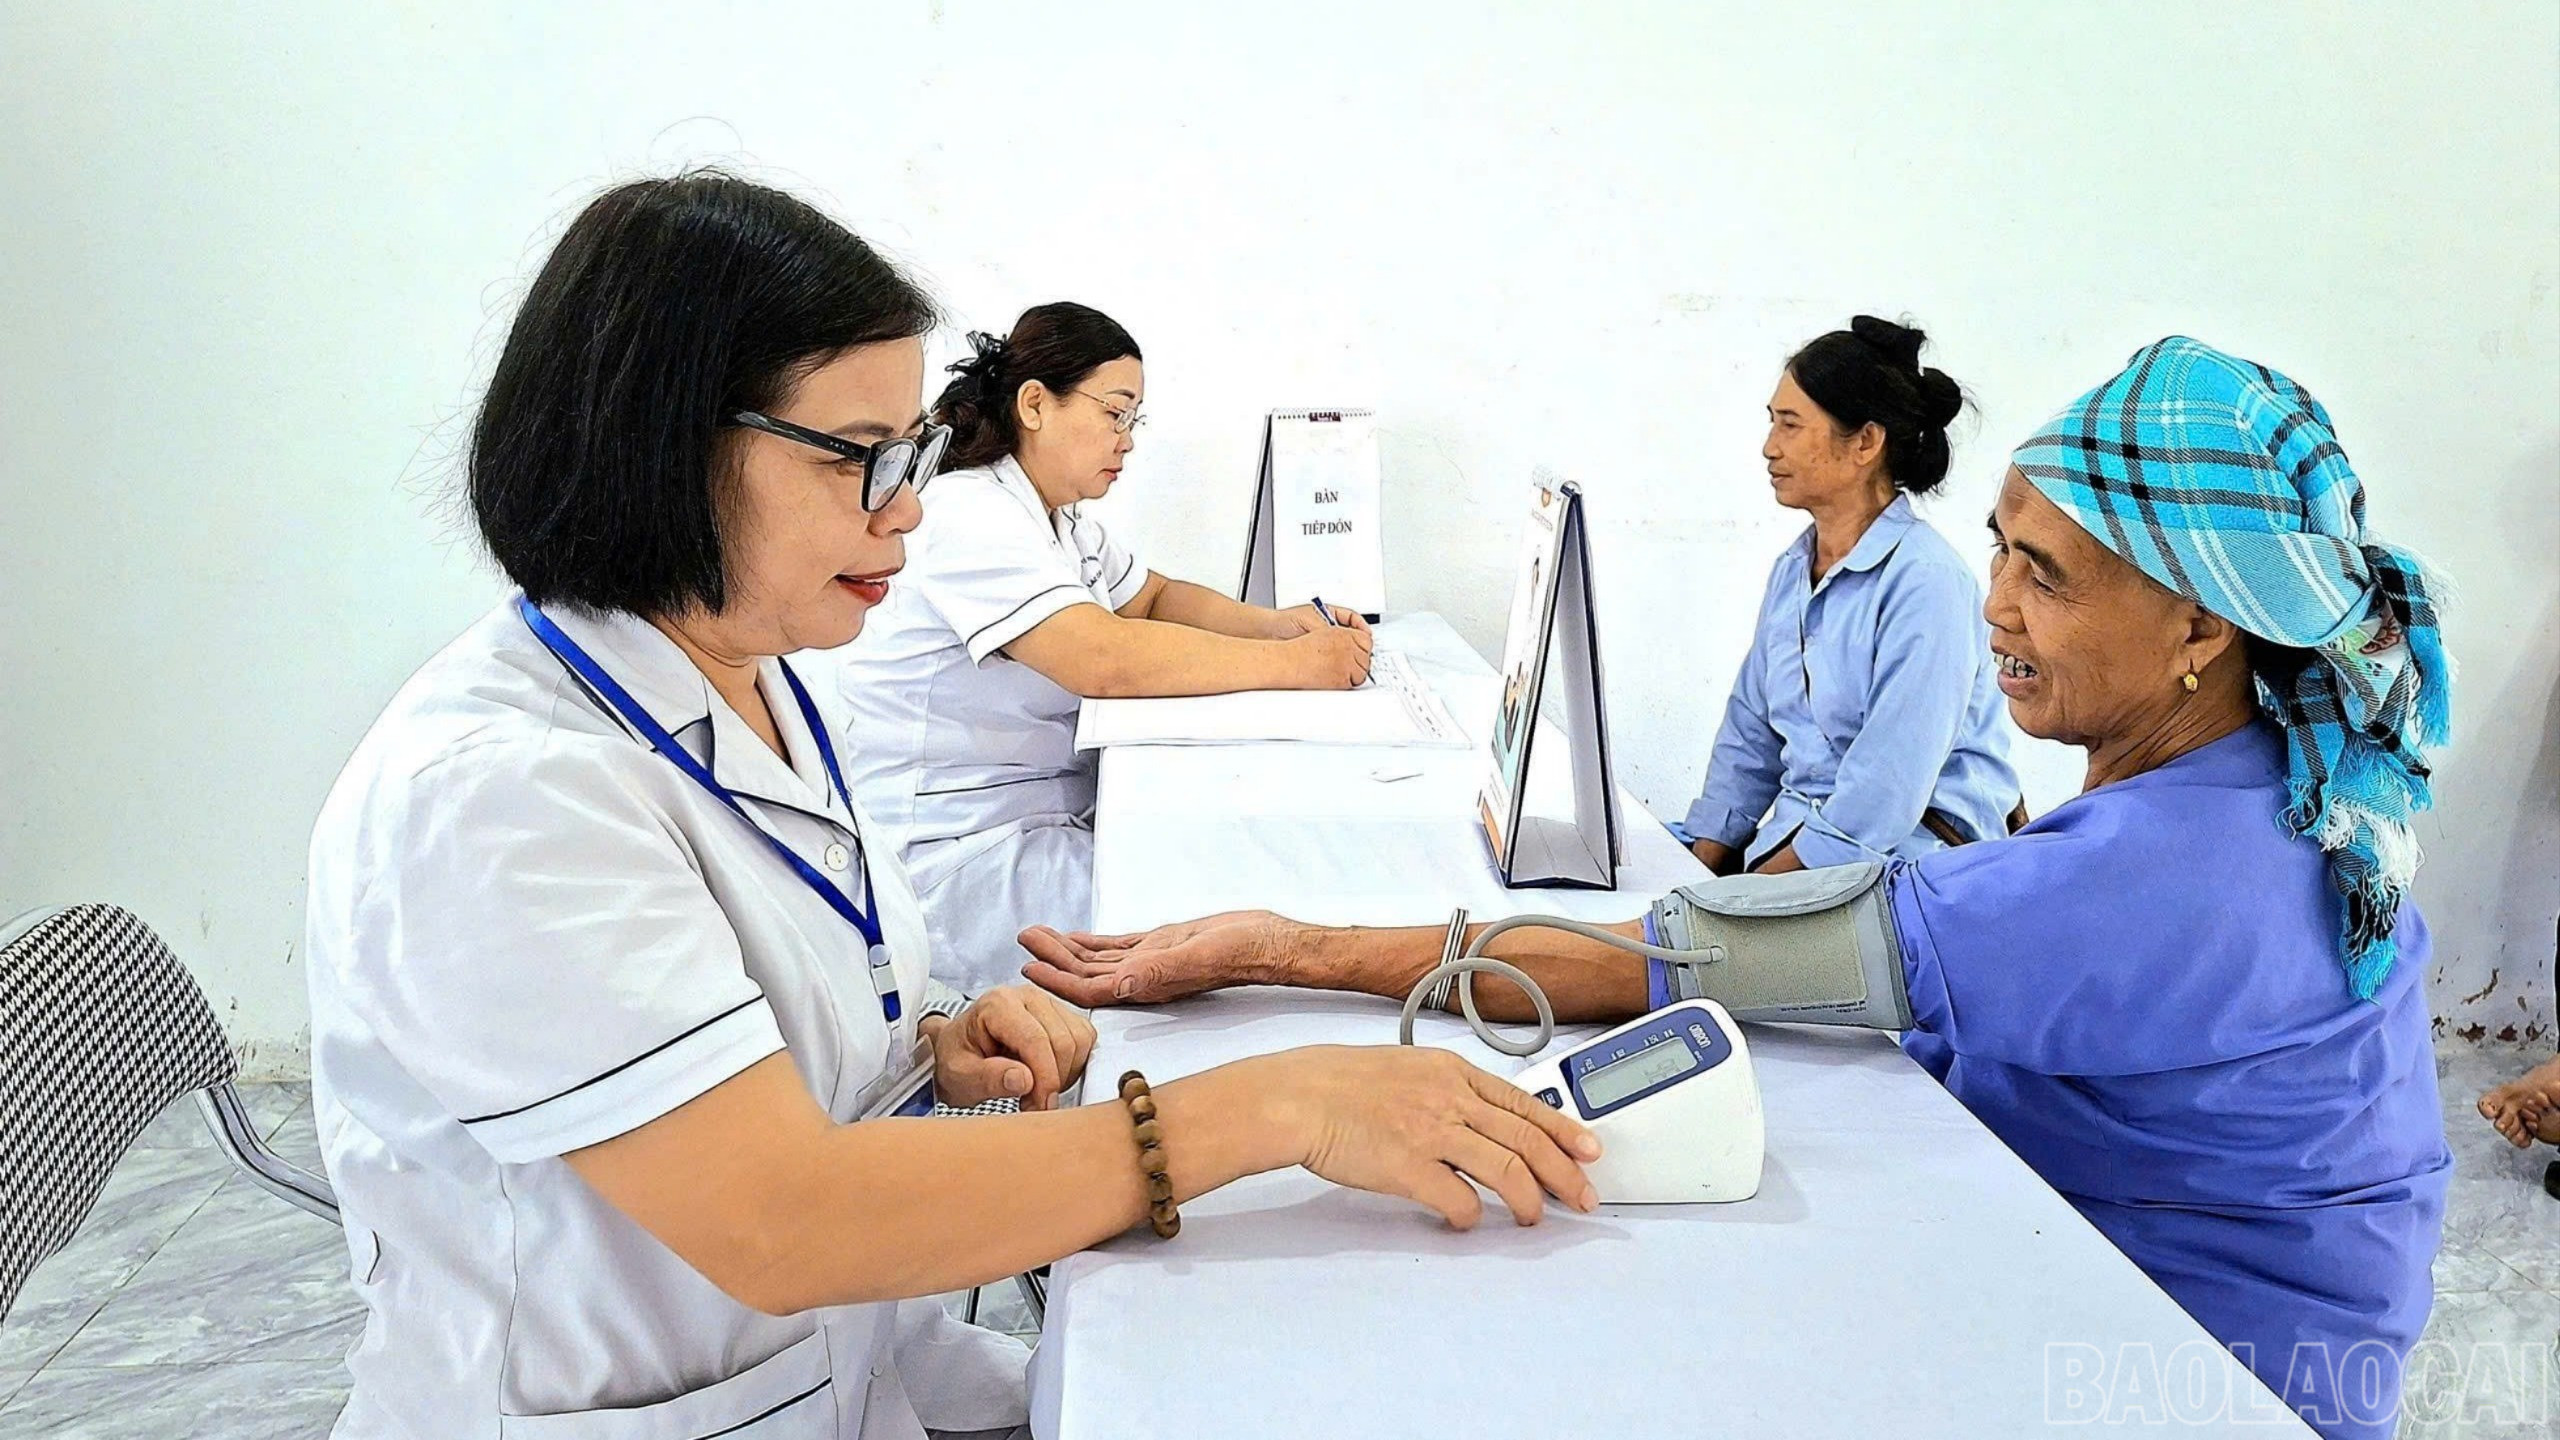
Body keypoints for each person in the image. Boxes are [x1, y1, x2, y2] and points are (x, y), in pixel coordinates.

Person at [302, 173, 1596, 1440]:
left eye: (911, 450)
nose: (910, 506)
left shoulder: (753, 675)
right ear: (664, 442)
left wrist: (927, 1043)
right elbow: (783, 1220)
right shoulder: (498, 796)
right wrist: (1282, 1107)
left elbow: (762, 1005)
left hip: (853, 1369)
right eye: (863, 458)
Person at [1026, 337, 2453, 1439]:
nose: (1999, 604)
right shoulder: (2260, 784)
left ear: (2201, 625)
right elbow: (1744, 794)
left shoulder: (2158, 871)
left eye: (2050, 577)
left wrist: (1284, 946)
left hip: (2198, 1368)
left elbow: (1685, 954)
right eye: (2001, 549)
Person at [828, 303, 1374, 990]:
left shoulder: (1058, 519)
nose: (1127, 441)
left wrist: (1277, 625)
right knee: (1225, 915)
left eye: (1134, 420)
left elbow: (1154, 597)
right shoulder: (970, 511)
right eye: (1115, 414)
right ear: (1035, 404)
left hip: (1043, 817)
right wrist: (1294, 665)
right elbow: (1102, 658)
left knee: (1239, 872)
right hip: (963, 856)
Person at [1675, 317, 2021, 876]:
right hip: (1799, 854)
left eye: (1791, 425)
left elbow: (1882, 800)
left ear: (1865, 441)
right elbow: (1750, 738)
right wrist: (1697, 867)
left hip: (1911, 867)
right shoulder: (1792, 570)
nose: (1769, 447)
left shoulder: (1926, 582)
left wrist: (1737, 899)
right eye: (1772, 422)